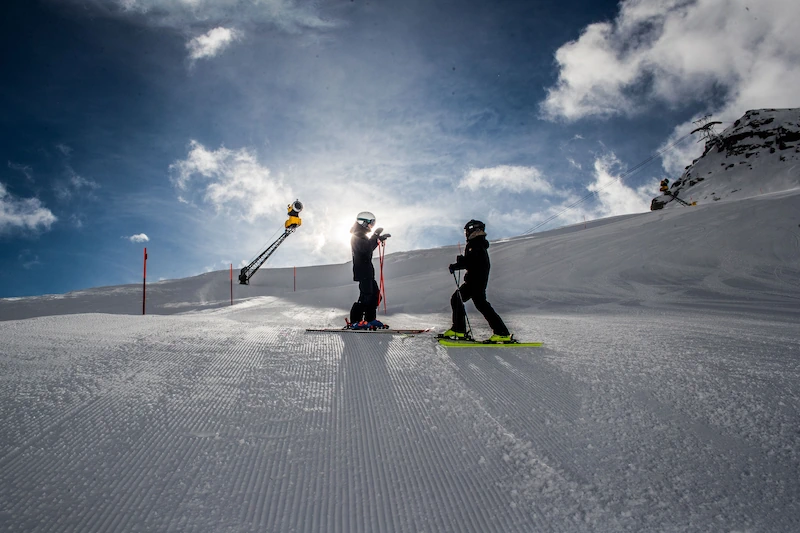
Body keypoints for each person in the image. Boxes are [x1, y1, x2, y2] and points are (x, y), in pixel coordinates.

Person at [443, 219, 512, 342]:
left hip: (475, 281)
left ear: (473, 230)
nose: (466, 234)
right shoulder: (478, 243)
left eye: (466, 231)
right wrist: (462, 262)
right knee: (480, 304)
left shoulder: (475, 243)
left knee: (458, 299)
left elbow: (472, 262)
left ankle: (459, 330)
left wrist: (458, 264)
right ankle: (501, 332)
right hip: (478, 280)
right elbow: (474, 261)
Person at [349, 211, 391, 328]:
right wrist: (376, 236)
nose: (371, 226)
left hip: (367, 271)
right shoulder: (356, 235)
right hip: (362, 270)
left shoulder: (362, 236)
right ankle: (355, 321)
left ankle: (370, 319)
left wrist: (378, 239)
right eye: (371, 223)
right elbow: (366, 248)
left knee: (376, 296)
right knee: (366, 295)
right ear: (364, 223)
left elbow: (369, 246)